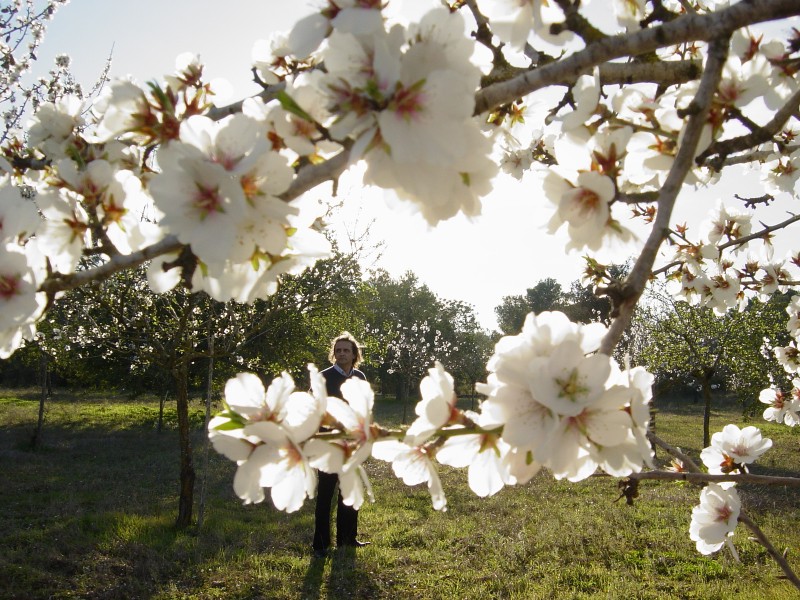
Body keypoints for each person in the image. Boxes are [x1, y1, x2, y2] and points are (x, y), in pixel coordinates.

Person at [312, 332, 370, 558]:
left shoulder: (360, 377)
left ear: (355, 353)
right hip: (328, 444)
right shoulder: (323, 378)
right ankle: (321, 545)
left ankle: (347, 539)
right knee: (325, 496)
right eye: (338, 350)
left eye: (347, 350)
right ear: (333, 354)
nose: (342, 353)